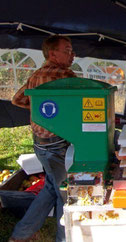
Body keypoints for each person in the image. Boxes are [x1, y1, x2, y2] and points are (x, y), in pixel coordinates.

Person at [10, 35, 76, 242]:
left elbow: (17, 99)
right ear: (52, 53)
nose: (72, 54)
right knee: (65, 194)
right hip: (58, 146)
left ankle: (21, 235)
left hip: (40, 144)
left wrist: (41, 111)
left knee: (50, 188)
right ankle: (64, 238)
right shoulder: (66, 75)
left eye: (72, 50)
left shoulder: (36, 75)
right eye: (67, 50)